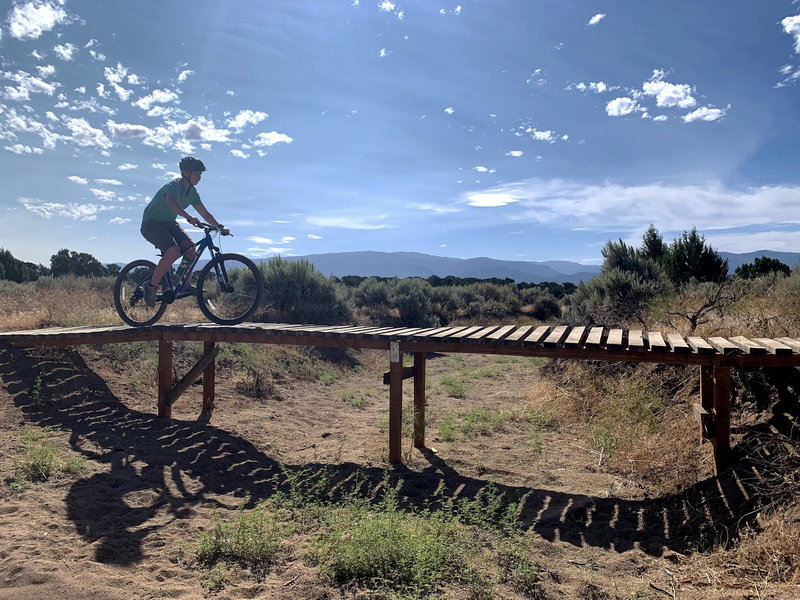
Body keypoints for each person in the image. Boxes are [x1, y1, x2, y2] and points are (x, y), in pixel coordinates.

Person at [140, 156, 229, 307]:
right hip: (151, 223)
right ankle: (151, 286)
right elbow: (172, 203)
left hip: (168, 223)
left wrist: (220, 226)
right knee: (174, 251)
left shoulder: (192, 193)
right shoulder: (174, 185)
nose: (199, 178)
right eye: (196, 174)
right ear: (184, 172)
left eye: (200, 175)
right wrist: (188, 217)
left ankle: (185, 284)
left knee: (190, 249)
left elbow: (205, 213)